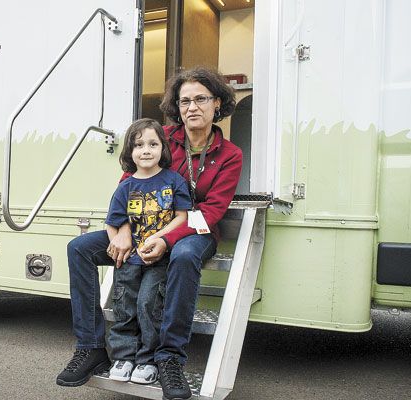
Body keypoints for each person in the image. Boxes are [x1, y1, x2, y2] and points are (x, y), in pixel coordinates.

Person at [56, 67, 242, 400]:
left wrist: (166, 238)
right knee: (79, 248)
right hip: (140, 225)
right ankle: (90, 348)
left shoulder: (230, 155)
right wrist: (124, 231)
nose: (192, 107)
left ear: (217, 103)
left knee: (184, 256)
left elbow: (212, 212)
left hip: (192, 231)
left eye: (201, 99)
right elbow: (128, 184)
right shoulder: (161, 136)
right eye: (184, 100)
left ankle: (169, 359)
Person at [100, 118, 191, 384]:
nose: (146, 150)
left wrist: (158, 237)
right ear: (129, 152)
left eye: (153, 143)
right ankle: (124, 357)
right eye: (139, 145)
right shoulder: (126, 186)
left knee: (149, 304)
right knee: (125, 307)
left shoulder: (173, 181)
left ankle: (147, 359)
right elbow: (111, 222)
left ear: (164, 148)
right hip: (128, 262)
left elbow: (181, 217)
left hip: (158, 260)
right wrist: (118, 244)